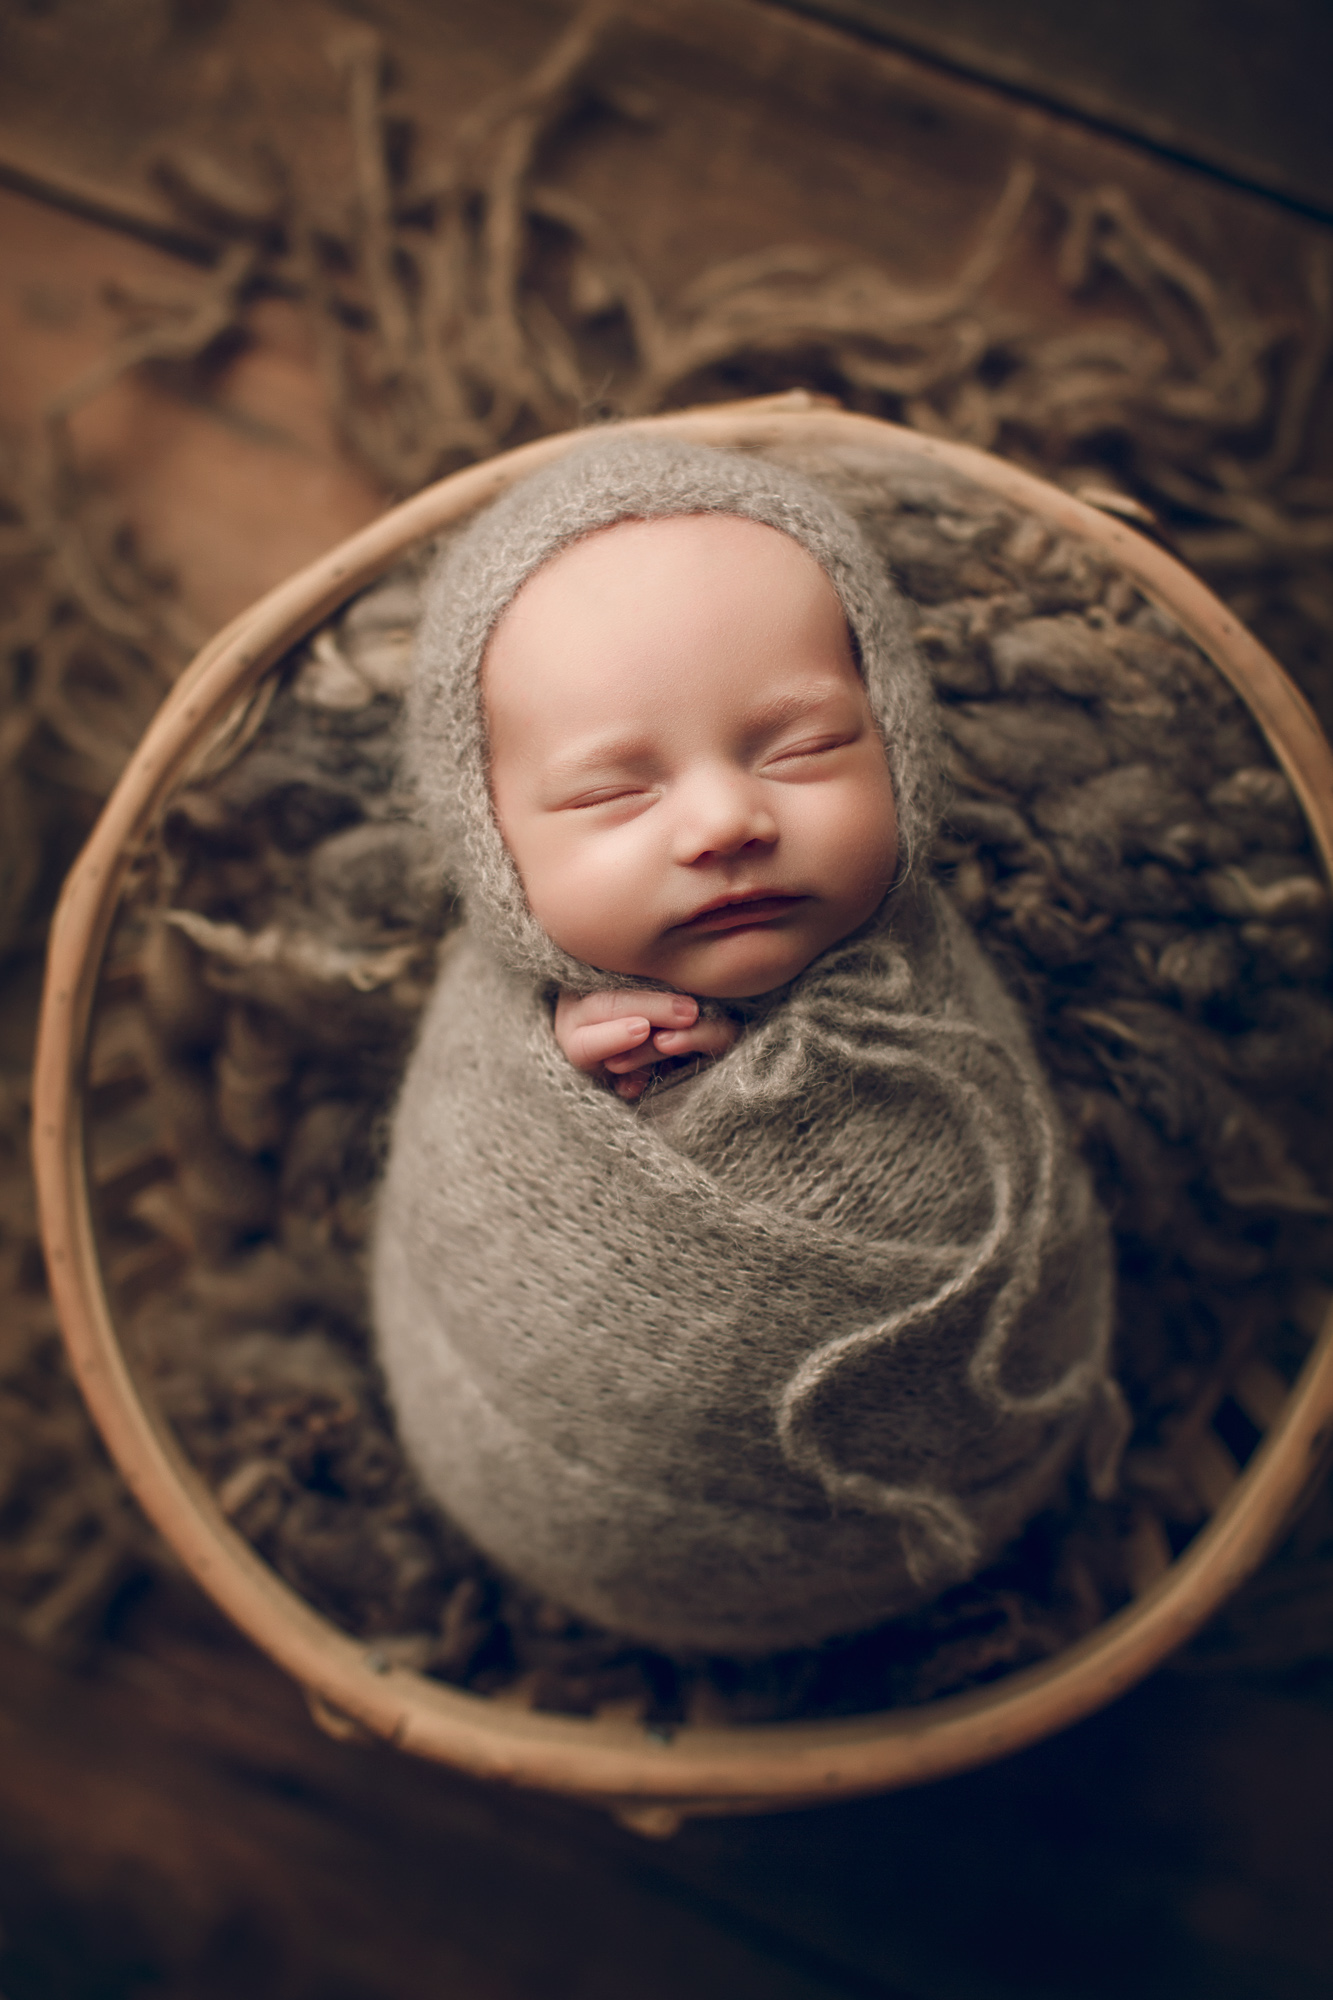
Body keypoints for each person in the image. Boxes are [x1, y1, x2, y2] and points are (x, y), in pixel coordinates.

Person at [372, 433, 1124, 1656]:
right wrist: (561, 1089)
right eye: (614, 793)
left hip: (919, 1503)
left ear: (898, 740)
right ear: (491, 842)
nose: (727, 818)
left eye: (802, 747)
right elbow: (472, 1180)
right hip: (536, 1468)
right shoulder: (501, 1019)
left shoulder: (931, 981)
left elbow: (1002, 1192)